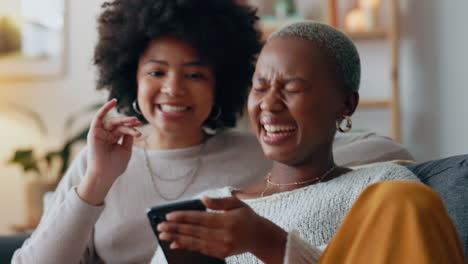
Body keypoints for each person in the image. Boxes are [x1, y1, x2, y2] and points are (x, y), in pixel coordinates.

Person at [151, 21, 466, 263]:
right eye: (259, 88)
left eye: (292, 87)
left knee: (406, 199)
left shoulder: (383, 191)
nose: (269, 104)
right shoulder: (212, 208)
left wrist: (270, 244)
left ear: (346, 105)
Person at [12, 0, 268, 263]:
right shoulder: (98, 161)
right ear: (132, 78)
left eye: (194, 75)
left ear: (220, 84)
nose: (173, 88)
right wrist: (97, 181)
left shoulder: (257, 159)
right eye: (156, 72)